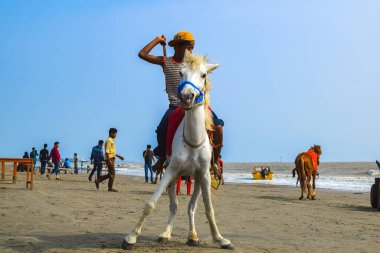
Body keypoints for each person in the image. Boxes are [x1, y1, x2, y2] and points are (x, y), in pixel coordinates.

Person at [138, 31, 224, 174]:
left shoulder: (193, 65)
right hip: (175, 105)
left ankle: (214, 161)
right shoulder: (166, 62)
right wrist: (157, 39)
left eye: (192, 48)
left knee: (219, 127)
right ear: (178, 46)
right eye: (189, 48)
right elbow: (142, 54)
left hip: (196, 105)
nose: (191, 51)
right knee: (161, 129)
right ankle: (162, 158)